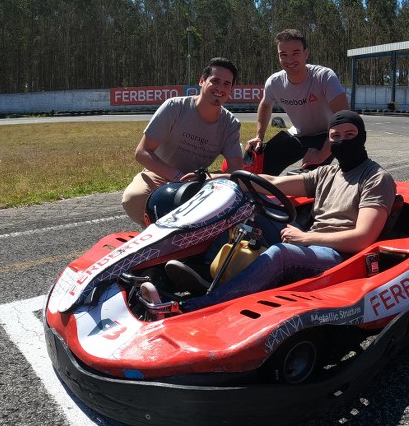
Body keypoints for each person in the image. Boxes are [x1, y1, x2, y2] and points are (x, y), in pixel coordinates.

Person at [141, 110, 395, 314]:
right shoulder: (328, 172)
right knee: (243, 212)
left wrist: (307, 239)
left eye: (349, 135)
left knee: (280, 254)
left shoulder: (375, 178)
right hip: (311, 240)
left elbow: (363, 237)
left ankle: (194, 307)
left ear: (362, 136)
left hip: (341, 258)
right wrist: (214, 178)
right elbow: (271, 182)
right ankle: (204, 272)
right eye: (335, 136)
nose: (341, 141)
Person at [121, 58, 244, 225]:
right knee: (133, 199)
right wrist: (178, 177)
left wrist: (208, 178)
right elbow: (142, 152)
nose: (220, 88)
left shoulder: (230, 123)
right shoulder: (175, 107)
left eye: (226, 84)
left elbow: (236, 168)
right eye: (215, 81)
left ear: (231, 90)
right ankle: (153, 234)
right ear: (202, 81)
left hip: (200, 180)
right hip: (161, 173)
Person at [247, 29, 350, 175]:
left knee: (304, 178)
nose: (289, 60)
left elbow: (344, 119)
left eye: (295, 53)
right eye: (283, 55)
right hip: (300, 134)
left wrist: (321, 154)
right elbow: (265, 105)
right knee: (257, 163)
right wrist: (259, 136)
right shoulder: (275, 82)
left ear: (306, 53)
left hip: (329, 135)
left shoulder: (324, 77)